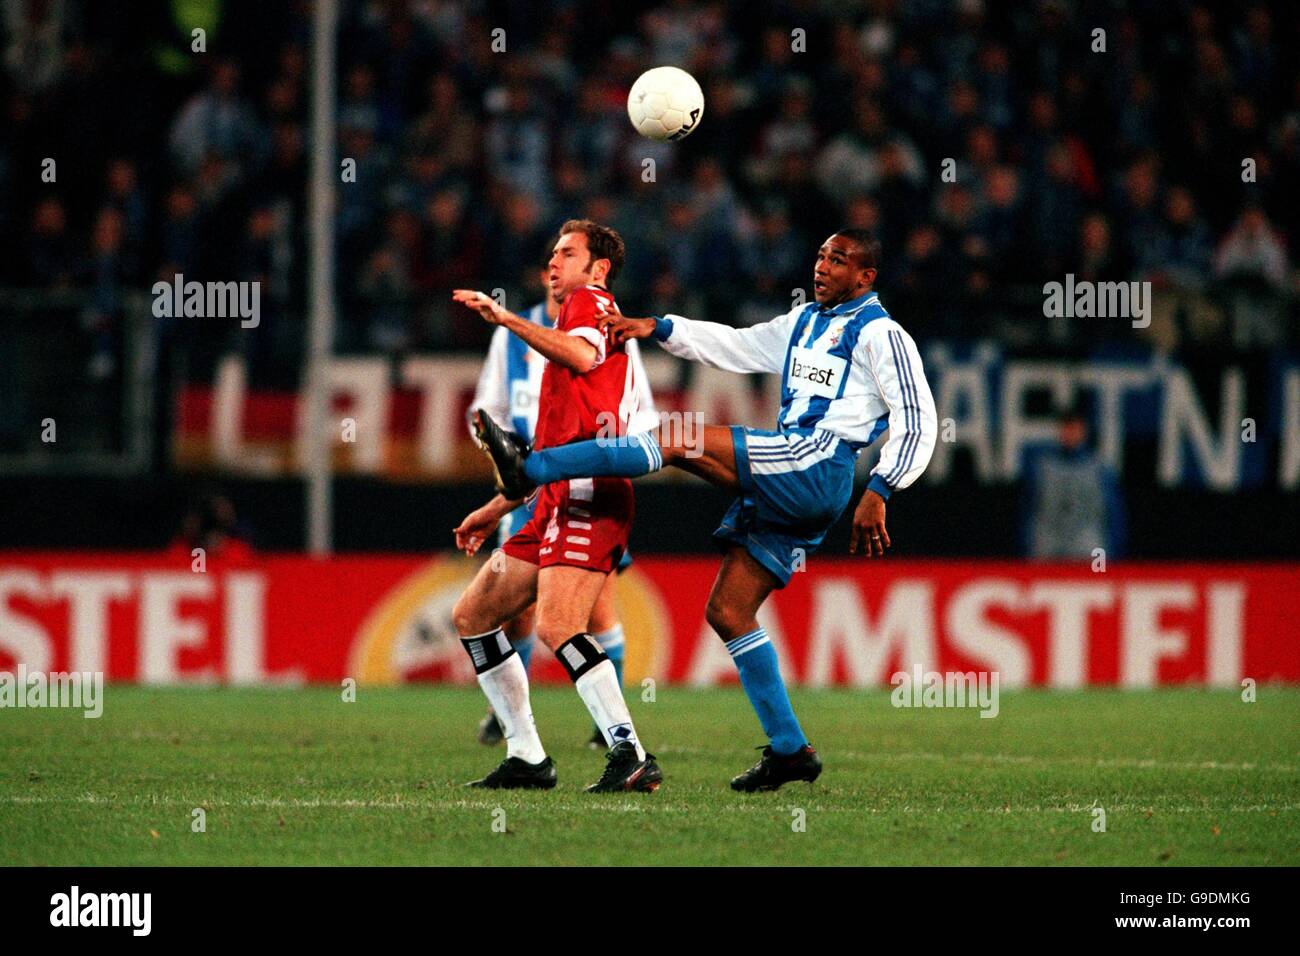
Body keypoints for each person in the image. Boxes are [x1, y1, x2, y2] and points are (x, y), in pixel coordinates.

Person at [475, 229, 937, 791]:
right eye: (819, 255)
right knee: (730, 611)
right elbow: (736, 345)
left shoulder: (881, 333)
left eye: (839, 260)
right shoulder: (804, 323)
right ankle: (791, 751)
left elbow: (917, 415)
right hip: (794, 480)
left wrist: (883, 487)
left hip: (815, 463)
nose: (823, 266)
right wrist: (659, 327)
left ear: (866, 277)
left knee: (676, 436)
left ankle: (534, 468)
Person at [449, 219, 661, 793]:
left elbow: (582, 357)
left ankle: (630, 753)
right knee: (472, 617)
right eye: (552, 253)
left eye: (567, 253)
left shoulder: (591, 302)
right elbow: (549, 445)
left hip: (590, 493)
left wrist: (507, 319)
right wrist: (496, 509)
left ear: (599, 269)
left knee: (560, 624)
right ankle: (526, 756)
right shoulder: (576, 310)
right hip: (552, 498)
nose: (553, 262)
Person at [1020, 406, 1126, 561]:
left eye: (1074, 428)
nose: (1069, 433)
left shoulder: (1099, 470)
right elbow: (1027, 512)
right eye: (1065, 428)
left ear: (1084, 431)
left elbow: (1113, 516)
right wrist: (1027, 550)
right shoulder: (1042, 468)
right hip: (1047, 552)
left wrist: (1109, 560)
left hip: (1090, 551)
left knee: (1094, 582)